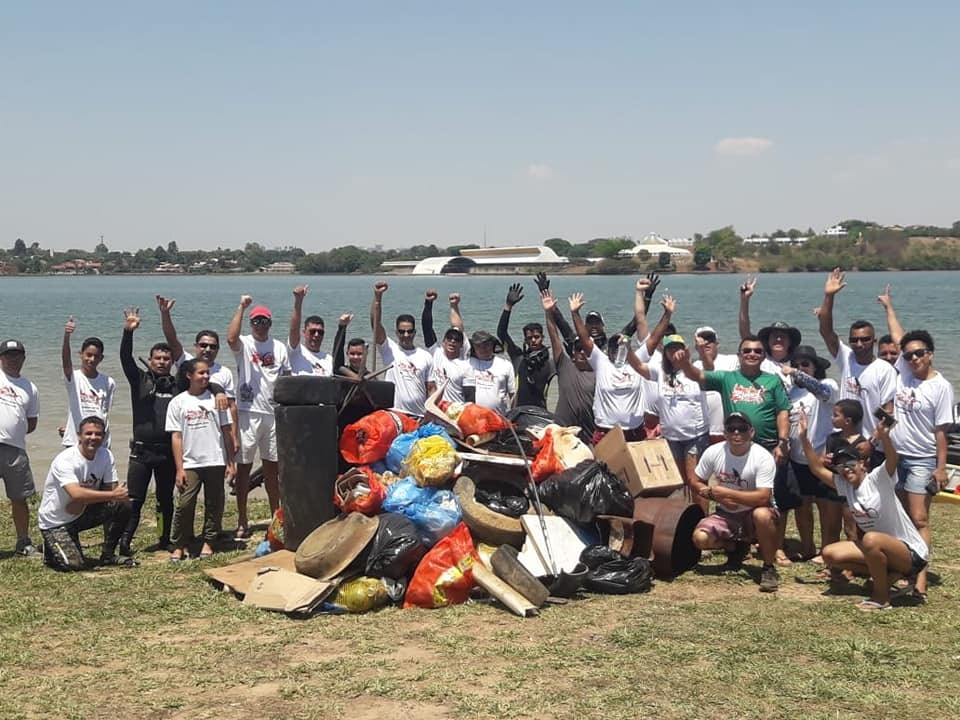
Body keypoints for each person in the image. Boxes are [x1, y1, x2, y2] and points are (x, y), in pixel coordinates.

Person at [800, 415, 928, 611]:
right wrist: (803, 437)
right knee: (830, 554)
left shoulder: (878, 479)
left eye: (850, 463)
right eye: (840, 465)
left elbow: (893, 459)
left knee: (870, 539)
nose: (845, 469)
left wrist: (885, 438)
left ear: (862, 464)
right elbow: (816, 468)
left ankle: (881, 598)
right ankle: (888, 575)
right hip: (880, 548)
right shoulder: (845, 485)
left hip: (910, 552)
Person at [876, 286, 954, 601]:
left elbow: (941, 433)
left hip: (922, 459)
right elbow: (898, 336)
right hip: (897, 456)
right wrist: (888, 307)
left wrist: (940, 469)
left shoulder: (941, 387)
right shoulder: (902, 372)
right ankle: (903, 569)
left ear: (930, 354)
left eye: (919, 353)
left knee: (919, 518)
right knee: (899, 516)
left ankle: (919, 580)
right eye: (908, 355)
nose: (913, 358)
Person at [690, 412, 781, 592]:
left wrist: (727, 493)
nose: (736, 433)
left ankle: (769, 567)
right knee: (700, 539)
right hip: (726, 513)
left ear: (752, 432)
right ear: (725, 433)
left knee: (762, 515)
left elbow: (763, 497)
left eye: (742, 428)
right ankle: (735, 546)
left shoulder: (762, 457)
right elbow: (695, 480)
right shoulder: (714, 452)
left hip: (754, 511)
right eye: (731, 429)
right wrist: (713, 495)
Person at [227, 296, 290, 538]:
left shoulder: (279, 347)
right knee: (243, 470)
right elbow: (230, 338)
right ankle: (242, 520)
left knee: (272, 470)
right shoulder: (244, 343)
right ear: (251, 323)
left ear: (270, 323)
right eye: (256, 321)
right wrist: (241, 307)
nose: (260, 325)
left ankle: (277, 517)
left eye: (264, 321)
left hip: (272, 414)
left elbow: (286, 379)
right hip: (247, 412)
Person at [37, 416, 133, 570]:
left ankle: (108, 555)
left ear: (103, 436)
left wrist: (113, 495)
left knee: (123, 505)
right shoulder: (66, 460)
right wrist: (112, 495)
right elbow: (76, 494)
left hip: (80, 512)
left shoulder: (106, 455)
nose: (93, 438)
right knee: (73, 565)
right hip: (56, 522)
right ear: (79, 435)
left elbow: (111, 489)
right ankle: (49, 547)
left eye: (98, 434)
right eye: (88, 434)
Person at [120, 307, 179, 554]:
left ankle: (163, 540)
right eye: (158, 358)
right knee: (134, 501)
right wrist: (128, 332)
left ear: (172, 362)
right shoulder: (139, 380)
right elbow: (125, 357)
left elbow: (205, 376)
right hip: (141, 454)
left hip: (166, 453)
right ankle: (124, 541)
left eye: (166, 359)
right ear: (151, 360)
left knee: (165, 500)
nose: (162, 362)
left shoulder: (179, 386)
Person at [165, 359, 236, 562]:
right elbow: (176, 437)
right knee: (185, 504)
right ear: (189, 375)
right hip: (190, 462)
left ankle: (209, 542)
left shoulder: (218, 400)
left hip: (215, 459)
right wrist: (179, 468)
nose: (205, 377)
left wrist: (231, 462)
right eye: (201, 373)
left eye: (207, 373)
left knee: (215, 503)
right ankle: (179, 545)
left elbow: (226, 430)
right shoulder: (178, 402)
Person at [156, 295, 239, 462]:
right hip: (187, 430)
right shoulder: (186, 362)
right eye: (203, 345)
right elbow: (172, 340)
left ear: (218, 350)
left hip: (213, 435)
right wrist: (165, 314)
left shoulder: (224, 372)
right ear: (196, 347)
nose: (207, 349)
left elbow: (231, 407)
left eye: (212, 346)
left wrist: (235, 437)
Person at [818, 268, 897, 439]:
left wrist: (872, 442)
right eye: (854, 340)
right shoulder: (847, 358)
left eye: (865, 339)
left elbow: (889, 413)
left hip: (872, 442)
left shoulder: (884, 369)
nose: (859, 344)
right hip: (844, 440)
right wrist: (829, 297)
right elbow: (826, 331)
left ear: (874, 341)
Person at [781, 345, 840, 562]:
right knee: (802, 507)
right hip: (797, 459)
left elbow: (821, 391)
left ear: (815, 367)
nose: (799, 368)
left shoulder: (827, 385)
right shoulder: (791, 393)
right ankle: (808, 548)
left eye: (805, 364)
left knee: (826, 508)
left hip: (821, 458)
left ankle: (827, 550)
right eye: (795, 364)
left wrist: (796, 373)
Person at [569, 291, 650, 445]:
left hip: (633, 430)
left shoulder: (629, 356)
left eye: (597, 323)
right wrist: (575, 313)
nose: (616, 350)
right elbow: (582, 338)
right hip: (603, 426)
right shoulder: (600, 359)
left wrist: (645, 297)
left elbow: (637, 323)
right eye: (590, 323)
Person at [0, 339, 41, 557]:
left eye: (17, 355)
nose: (12, 358)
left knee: (19, 497)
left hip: (15, 449)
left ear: (23, 358)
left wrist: (13, 431)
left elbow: (31, 422)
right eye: (8, 355)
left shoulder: (30, 387)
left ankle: (23, 542)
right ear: (0, 357)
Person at [370, 281, 434, 416]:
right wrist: (377, 297)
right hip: (394, 413)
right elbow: (375, 324)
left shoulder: (426, 356)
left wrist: (431, 414)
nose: (406, 335)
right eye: (402, 331)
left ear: (415, 332)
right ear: (396, 332)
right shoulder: (389, 349)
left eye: (409, 332)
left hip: (419, 416)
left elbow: (431, 389)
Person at [540, 289, 595, 442]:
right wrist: (549, 313)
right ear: (573, 352)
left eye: (585, 349)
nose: (582, 353)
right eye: (578, 349)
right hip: (562, 432)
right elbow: (554, 337)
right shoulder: (564, 365)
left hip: (589, 435)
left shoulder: (600, 369)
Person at [60, 318, 116, 448]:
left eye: (96, 356)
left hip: (100, 442)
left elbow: (104, 412)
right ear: (81, 354)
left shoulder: (109, 382)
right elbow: (66, 362)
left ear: (101, 358)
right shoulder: (74, 378)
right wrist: (67, 336)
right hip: (75, 441)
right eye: (88, 355)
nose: (92, 359)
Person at [498, 282, 553, 408]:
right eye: (529, 338)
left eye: (536, 337)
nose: (533, 340)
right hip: (518, 412)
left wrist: (549, 307)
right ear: (525, 340)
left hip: (541, 413)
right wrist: (508, 306)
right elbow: (501, 333)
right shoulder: (518, 357)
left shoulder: (551, 363)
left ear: (543, 338)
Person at [738, 275, 802, 382]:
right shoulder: (762, 359)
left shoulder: (797, 365)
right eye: (775, 336)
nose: (778, 339)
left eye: (782, 337)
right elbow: (745, 332)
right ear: (767, 341)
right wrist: (744, 300)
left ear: (790, 342)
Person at [692, 326, 738, 444]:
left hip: (728, 430)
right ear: (696, 346)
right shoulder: (694, 366)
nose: (706, 343)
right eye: (701, 340)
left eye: (710, 339)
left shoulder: (733, 360)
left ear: (717, 344)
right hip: (701, 431)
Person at [423, 291, 469, 403]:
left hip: (457, 410)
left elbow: (457, 327)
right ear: (443, 341)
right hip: (437, 410)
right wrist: (428, 304)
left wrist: (454, 306)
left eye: (457, 340)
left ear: (462, 344)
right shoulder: (437, 353)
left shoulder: (465, 360)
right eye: (449, 338)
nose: (452, 341)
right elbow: (426, 328)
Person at [464, 331, 515, 414]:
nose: (483, 349)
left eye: (486, 345)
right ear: (473, 347)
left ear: (492, 345)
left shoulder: (505, 365)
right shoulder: (467, 363)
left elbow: (512, 394)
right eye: (478, 346)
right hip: (473, 417)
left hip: (499, 417)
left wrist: (512, 416)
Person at [287, 285, 333, 376]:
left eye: (320, 332)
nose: (316, 335)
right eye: (312, 331)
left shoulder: (329, 359)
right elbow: (294, 329)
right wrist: (298, 301)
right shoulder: (296, 351)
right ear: (304, 332)